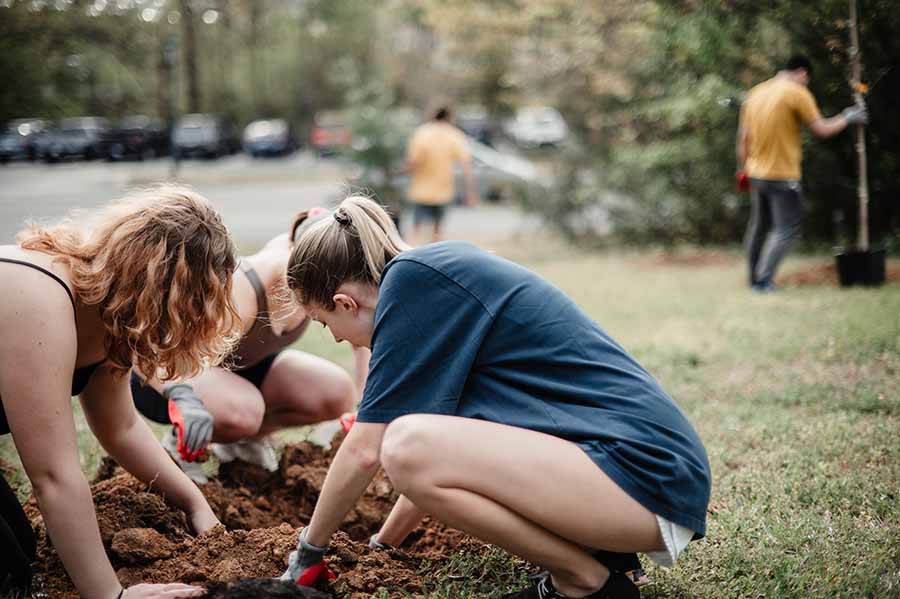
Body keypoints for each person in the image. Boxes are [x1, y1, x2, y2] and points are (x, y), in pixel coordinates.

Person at [278, 196, 712, 599]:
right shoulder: (430, 284)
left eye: (323, 322)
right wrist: (381, 549)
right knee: (412, 443)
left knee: (404, 443)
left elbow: (369, 450)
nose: (335, 338)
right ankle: (601, 560)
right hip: (641, 483)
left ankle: (582, 582)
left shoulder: (412, 283)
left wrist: (308, 553)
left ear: (345, 302)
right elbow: (437, 463)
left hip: (642, 477)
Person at [0, 185, 239, 598]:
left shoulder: (108, 317)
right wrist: (113, 595)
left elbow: (122, 429)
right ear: (163, 293)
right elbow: (53, 476)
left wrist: (195, 503)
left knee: (20, 553)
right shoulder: (39, 297)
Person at [132, 207, 367, 484]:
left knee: (336, 392)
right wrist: (184, 398)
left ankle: (240, 443)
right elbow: (151, 351)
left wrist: (366, 411)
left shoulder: (318, 279)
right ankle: (181, 445)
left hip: (240, 371)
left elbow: (360, 339)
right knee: (245, 411)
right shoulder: (244, 286)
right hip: (167, 380)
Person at [736, 54, 868, 293]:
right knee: (786, 228)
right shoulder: (796, 93)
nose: (805, 84)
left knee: (758, 227)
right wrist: (848, 117)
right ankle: (764, 281)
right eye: (806, 81)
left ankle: (754, 279)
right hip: (783, 175)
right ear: (802, 73)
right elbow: (822, 129)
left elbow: (743, 138)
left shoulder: (756, 92)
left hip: (756, 173)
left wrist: (743, 170)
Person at [405, 105, 478, 244]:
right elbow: (467, 165)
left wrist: (400, 171)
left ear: (433, 115)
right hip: (443, 191)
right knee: (437, 232)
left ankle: (410, 254)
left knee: (416, 228)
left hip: (421, 190)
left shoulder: (422, 132)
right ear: (449, 117)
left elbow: (413, 162)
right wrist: (471, 192)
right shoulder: (455, 135)